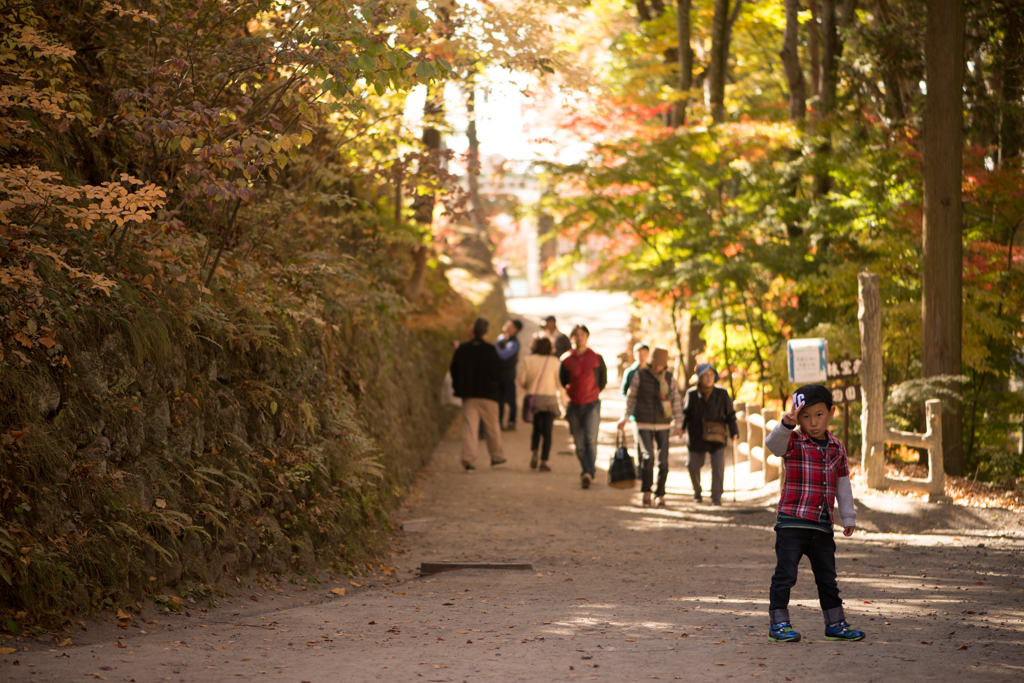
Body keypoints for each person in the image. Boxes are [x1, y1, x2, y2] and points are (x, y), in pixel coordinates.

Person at [762, 384, 864, 644]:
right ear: (798, 418)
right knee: (785, 574)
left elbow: (843, 483)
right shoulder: (792, 440)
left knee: (827, 578)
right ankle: (779, 623)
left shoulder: (836, 447)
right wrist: (786, 423)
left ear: (830, 412)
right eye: (805, 417)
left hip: (821, 526)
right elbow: (772, 446)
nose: (813, 422)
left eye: (819, 415)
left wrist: (848, 516)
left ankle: (836, 624)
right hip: (792, 524)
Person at [617, 347, 682, 507]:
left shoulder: (669, 378)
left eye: (661, 365)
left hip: (663, 423)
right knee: (648, 457)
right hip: (643, 422)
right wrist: (625, 417)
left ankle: (660, 493)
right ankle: (646, 492)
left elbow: (675, 400)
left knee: (663, 461)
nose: (657, 368)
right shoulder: (640, 375)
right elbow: (631, 398)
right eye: (655, 365)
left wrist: (679, 423)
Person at [449, 317, 507, 471]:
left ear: (472, 331)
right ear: (486, 332)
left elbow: (454, 370)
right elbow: (497, 372)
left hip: (469, 395)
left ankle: (468, 460)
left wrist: (459, 387)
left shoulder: (462, 349)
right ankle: (497, 457)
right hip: (488, 395)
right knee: (493, 427)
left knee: (469, 428)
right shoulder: (490, 349)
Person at [681, 363, 738, 505]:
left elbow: (730, 414)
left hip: (717, 435)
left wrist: (734, 431)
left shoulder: (722, 393)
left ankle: (716, 497)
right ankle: (697, 492)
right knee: (692, 465)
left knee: (718, 467)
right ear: (700, 377)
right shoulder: (691, 394)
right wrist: (680, 428)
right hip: (696, 435)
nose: (709, 378)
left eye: (711, 375)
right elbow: (685, 414)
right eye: (706, 375)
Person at [559, 324, 607, 489]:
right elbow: (563, 380)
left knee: (590, 439)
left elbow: (602, 380)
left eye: (582, 334)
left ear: (587, 337)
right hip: (573, 406)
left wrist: (593, 393)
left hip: (592, 404)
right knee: (579, 444)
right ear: (572, 337)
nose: (579, 337)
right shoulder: (566, 359)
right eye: (576, 335)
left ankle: (588, 472)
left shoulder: (596, 358)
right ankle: (587, 469)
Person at [517, 335, 565, 471]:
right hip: (549, 399)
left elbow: (521, 380)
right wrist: (564, 402)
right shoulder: (555, 361)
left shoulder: (528, 360)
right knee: (548, 432)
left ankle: (534, 452)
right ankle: (544, 461)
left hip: (535, 399)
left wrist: (530, 387)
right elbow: (560, 383)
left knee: (536, 429)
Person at [496, 319, 523, 431]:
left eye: (509, 324)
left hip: (508, 375)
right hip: (499, 374)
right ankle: (500, 422)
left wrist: (494, 348)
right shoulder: (502, 338)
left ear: (515, 329)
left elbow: (503, 356)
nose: (506, 325)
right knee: (500, 400)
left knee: (511, 399)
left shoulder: (514, 343)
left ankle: (512, 421)